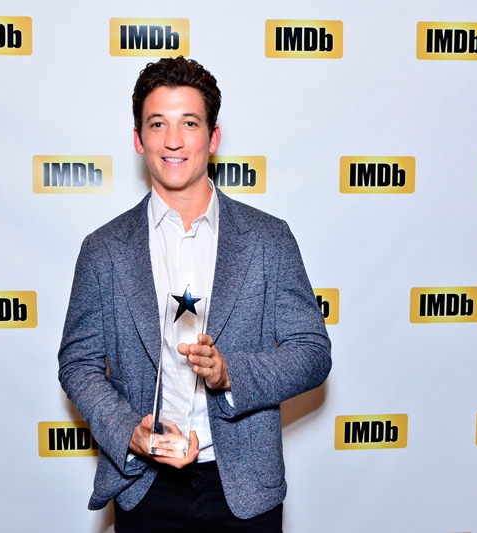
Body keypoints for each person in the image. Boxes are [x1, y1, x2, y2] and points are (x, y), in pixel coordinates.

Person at [57, 56, 331, 532]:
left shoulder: (268, 239)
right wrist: (130, 432)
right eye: (157, 124)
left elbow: (312, 353)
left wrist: (229, 373)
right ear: (139, 139)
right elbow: (78, 364)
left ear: (213, 136)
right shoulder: (103, 249)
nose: (173, 140)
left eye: (189, 122)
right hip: (144, 487)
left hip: (245, 489)